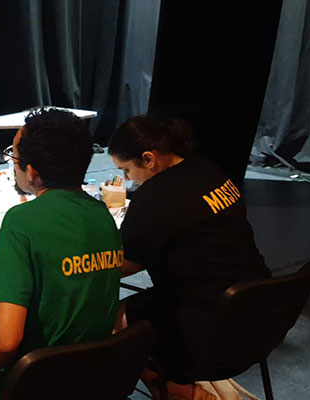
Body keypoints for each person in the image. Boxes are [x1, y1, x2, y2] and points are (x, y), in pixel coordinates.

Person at [0, 108, 124, 400]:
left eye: (14, 157)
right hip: (92, 379)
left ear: (32, 172)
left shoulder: (22, 222)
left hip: (30, 384)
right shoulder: (103, 215)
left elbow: (5, 342)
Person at [108, 115, 270, 386]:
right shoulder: (207, 168)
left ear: (148, 159)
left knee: (107, 322)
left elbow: (123, 266)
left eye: (125, 170)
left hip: (205, 330)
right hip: (262, 313)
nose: (126, 180)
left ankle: (182, 392)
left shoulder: (155, 197)